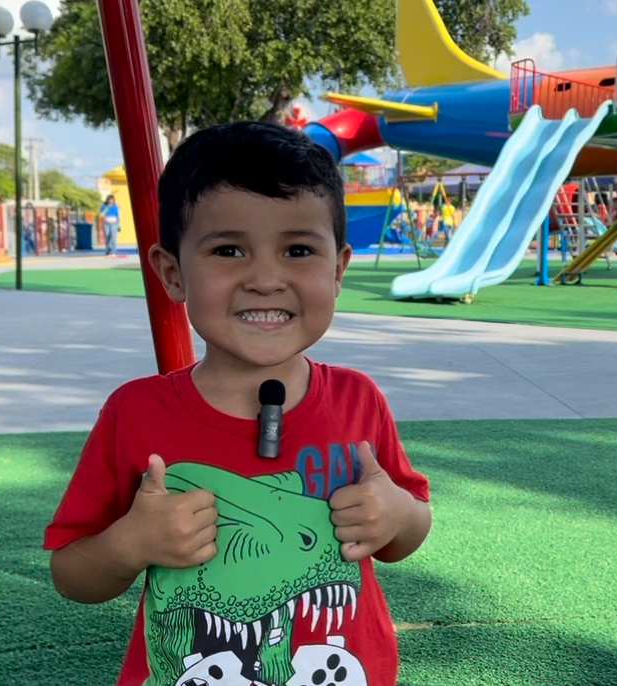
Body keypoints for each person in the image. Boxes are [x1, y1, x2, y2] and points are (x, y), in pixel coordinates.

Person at [44, 122, 433, 686]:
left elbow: (410, 529)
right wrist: (131, 543)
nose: (266, 279)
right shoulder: (135, 412)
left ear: (338, 269)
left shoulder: (359, 399)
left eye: (298, 250)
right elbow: (72, 574)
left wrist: (396, 514)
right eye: (229, 250)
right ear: (173, 273)